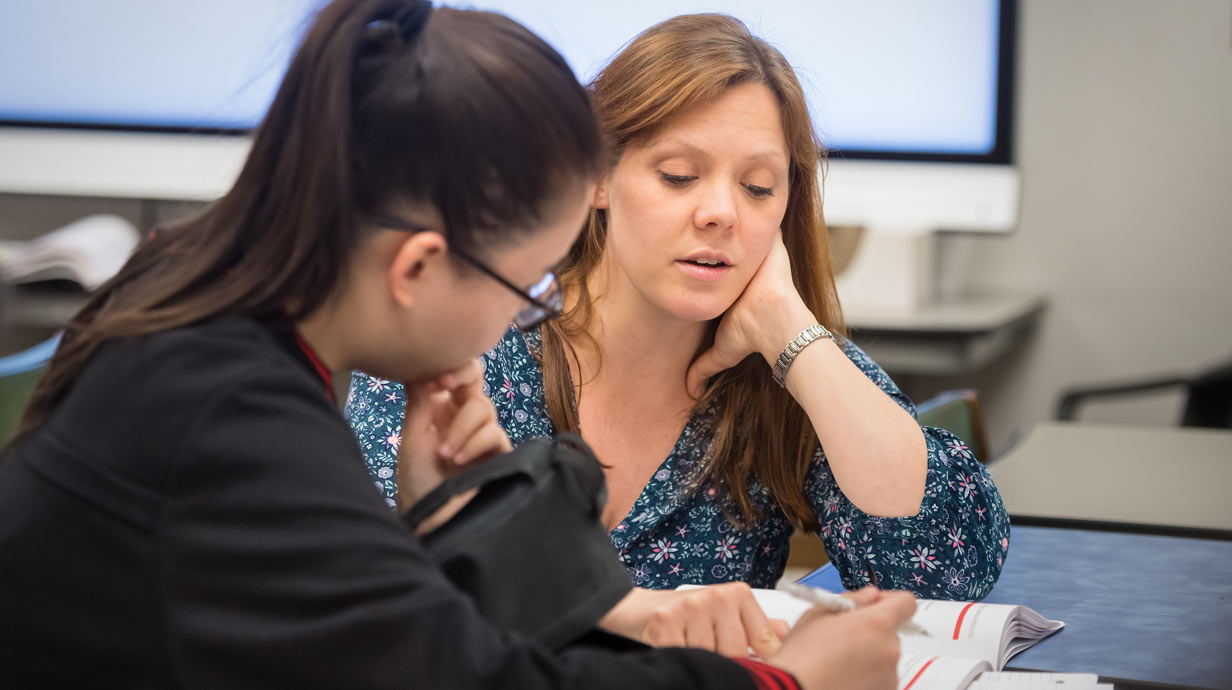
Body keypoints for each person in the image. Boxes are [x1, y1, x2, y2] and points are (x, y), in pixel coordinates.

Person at [0, 1, 918, 688]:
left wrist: (442, 522)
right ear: (418, 268)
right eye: (521, 286)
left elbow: (389, 630)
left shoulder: (195, 292)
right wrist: (789, 681)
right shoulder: (232, 409)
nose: (521, 317)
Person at [347, 11, 1010, 609]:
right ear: (599, 178)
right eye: (678, 175)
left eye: (758, 188)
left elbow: (948, 572)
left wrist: (792, 331)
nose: (720, 212)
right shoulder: (467, 345)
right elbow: (371, 601)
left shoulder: (783, 367)